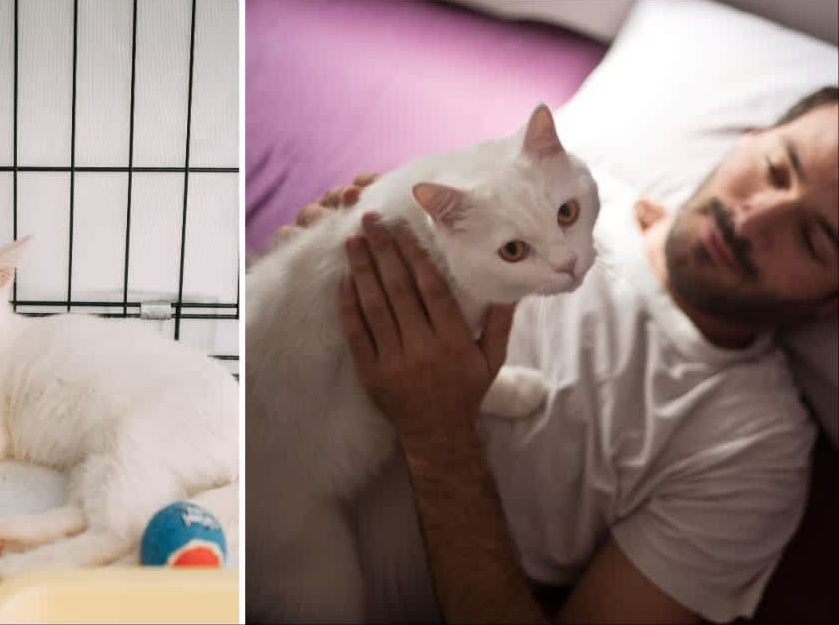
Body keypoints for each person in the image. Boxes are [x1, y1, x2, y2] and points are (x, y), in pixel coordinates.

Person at [271, 86, 838, 624]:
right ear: (751, 137)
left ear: (828, 305)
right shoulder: (552, 191)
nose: (753, 219)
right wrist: (302, 280)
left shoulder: (754, 444)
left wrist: (440, 436)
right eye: (776, 169)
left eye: (813, 239)